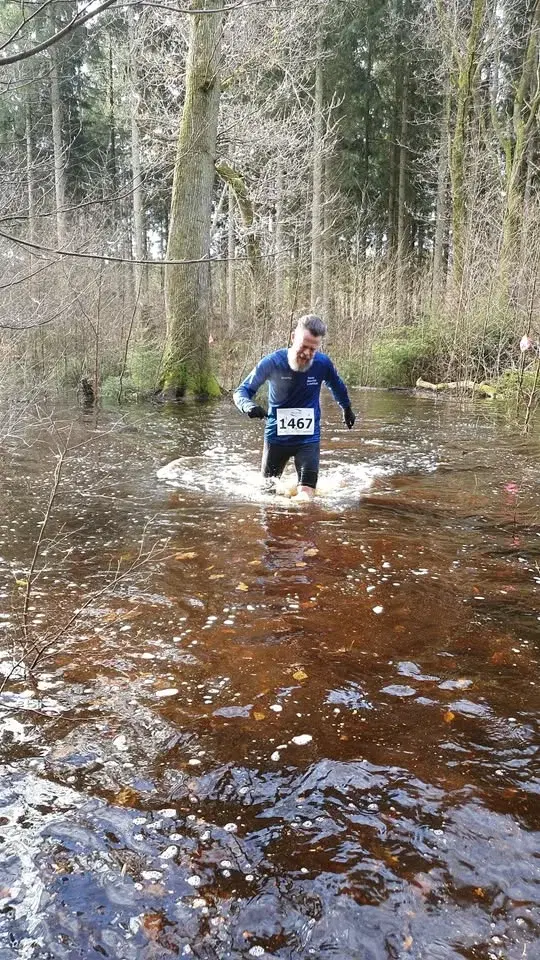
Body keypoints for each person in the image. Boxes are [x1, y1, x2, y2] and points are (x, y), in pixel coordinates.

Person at [233, 314, 356, 500]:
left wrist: (346, 407)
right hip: (276, 438)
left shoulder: (323, 364)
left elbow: (337, 385)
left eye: (312, 349)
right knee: (266, 494)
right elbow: (241, 391)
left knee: (306, 497)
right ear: (293, 338)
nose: (307, 353)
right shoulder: (272, 362)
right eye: (303, 346)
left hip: (308, 439)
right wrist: (248, 406)